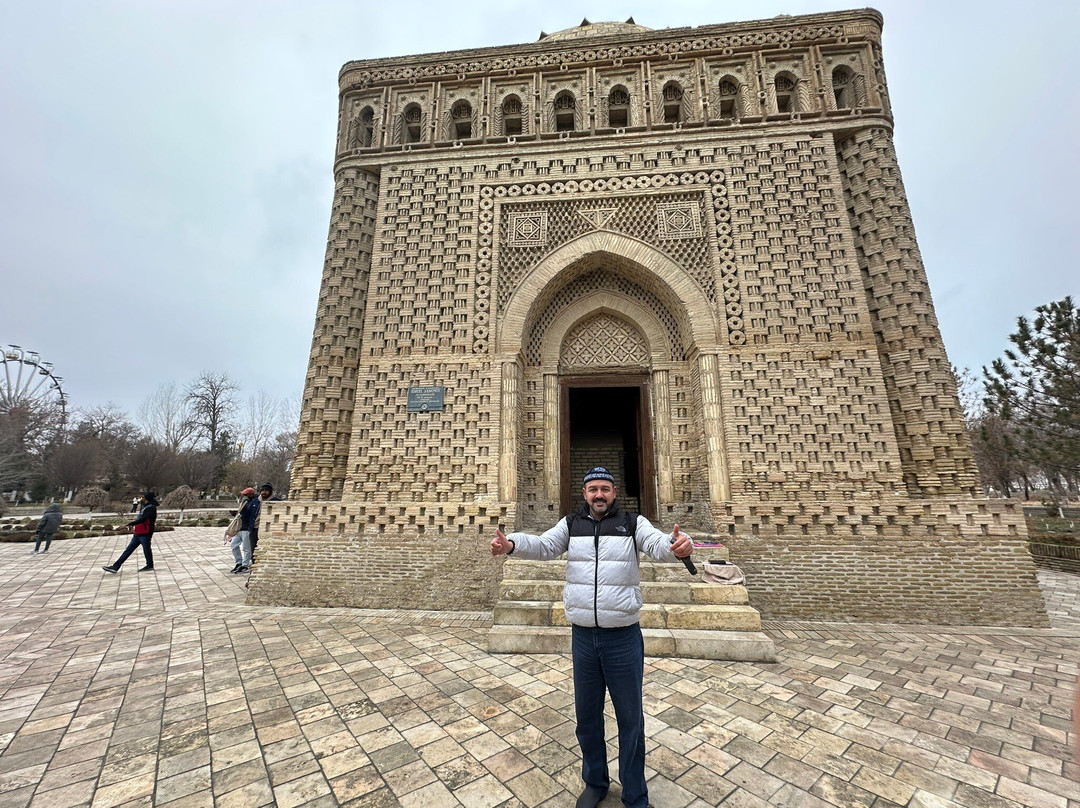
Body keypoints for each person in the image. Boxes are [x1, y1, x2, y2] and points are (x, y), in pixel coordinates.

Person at [490, 466, 694, 808]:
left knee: (630, 720)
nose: (599, 495)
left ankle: (635, 794)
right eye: (592, 489)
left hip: (622, 639)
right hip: (584, 638)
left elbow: (659, 544)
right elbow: (542, 546)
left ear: (614, 492)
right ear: (584, 494)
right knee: (587, 717)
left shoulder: (632, 523)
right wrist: (512, 544)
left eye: (605, 489)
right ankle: (595, 782)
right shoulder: (571, 524)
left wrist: (678, 546)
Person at [103, 491, 158, 573]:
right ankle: (115, 566)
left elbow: (143, 519)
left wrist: (130, 524)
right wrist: (134, 526)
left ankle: (149, 565)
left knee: (146, 550)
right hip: (139, 532)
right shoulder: (145, 507)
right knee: (128, 550)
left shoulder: (151, 508)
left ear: (147, 499)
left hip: (146, 533)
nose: (142, 499)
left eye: (143, 498)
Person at [230, 488, 260, 574]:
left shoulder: (255, 502)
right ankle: (238, 562)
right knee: (234, 545)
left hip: (247, 528)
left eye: (246, 494)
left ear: (250, 494)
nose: (244, 496)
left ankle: (245, 564)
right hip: (240, 527)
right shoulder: (245, 502)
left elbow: (249, 514)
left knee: (246, 548)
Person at [248, 483, 274, 559]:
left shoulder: (276, 501)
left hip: (268, 530)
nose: (264, 492)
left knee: (266, 549)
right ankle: (254, 565)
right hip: (255, 528)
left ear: (270, 492)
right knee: (253, 548)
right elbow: (248, 513)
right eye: (262, 490)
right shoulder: (256, 501)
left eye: (266, 491)